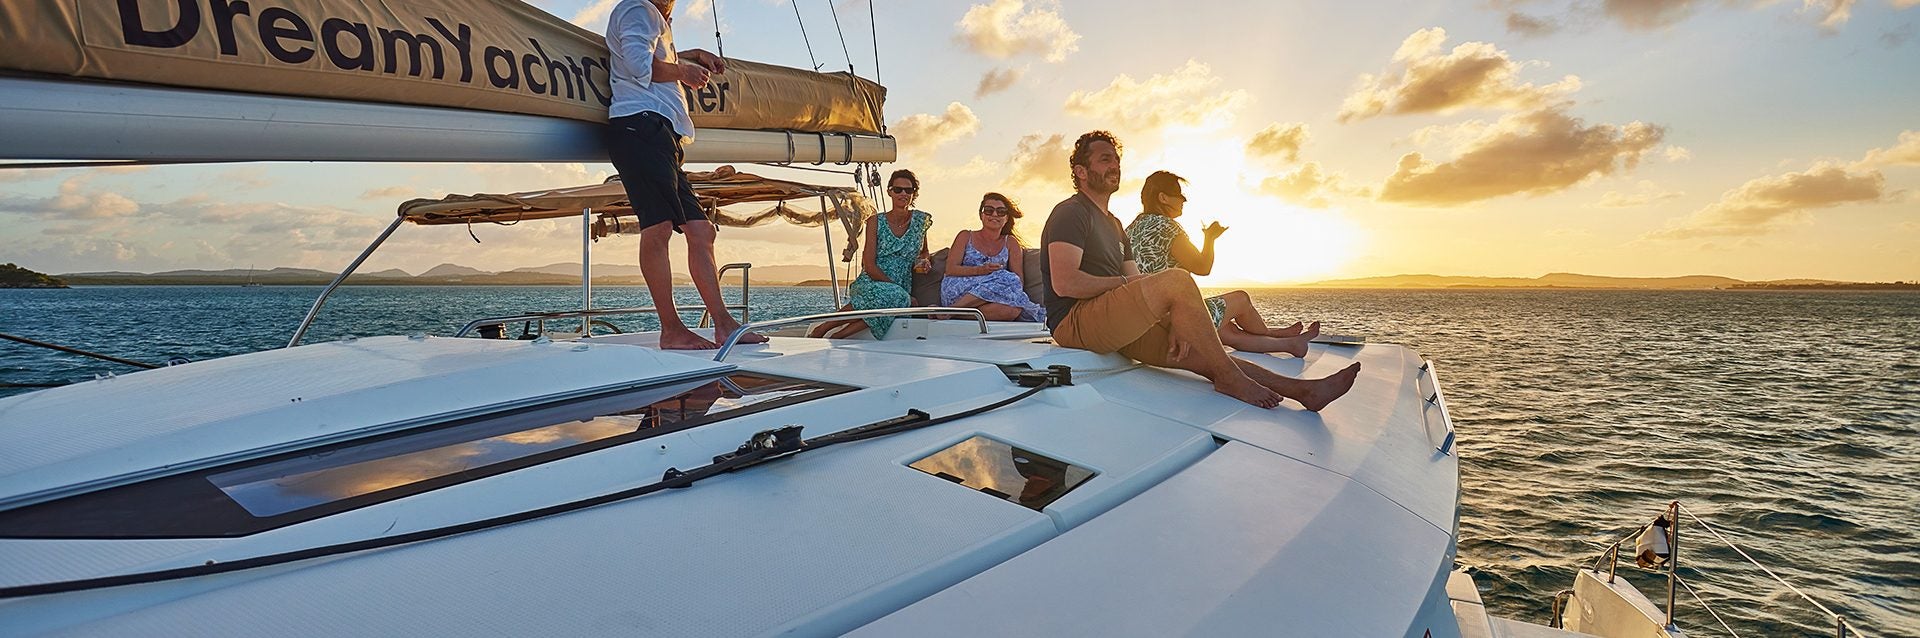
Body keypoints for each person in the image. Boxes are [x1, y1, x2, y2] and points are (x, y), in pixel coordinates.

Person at [1040, 131, 1360, 411]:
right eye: (1105, 159)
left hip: (1112, 321)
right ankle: (1231, 381)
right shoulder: (1071, 213)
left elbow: (1140, 282)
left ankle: (1304, 391)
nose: (1115, 166)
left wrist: (1176, 318)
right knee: (1179, 280)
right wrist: (1137, 286)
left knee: (1206, 354)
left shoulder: (1116, 225)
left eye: (1117, 160)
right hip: (1075, 322)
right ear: (1081, 172)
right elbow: (1067, 283)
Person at [604, 0, 765, 350]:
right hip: (640, 125)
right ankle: (671, 329)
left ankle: (723, 324)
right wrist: (683, 73)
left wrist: (690, 56)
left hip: (660, 133)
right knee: (659, 227)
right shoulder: (639, 8)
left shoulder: (653, 18)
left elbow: (644, 52)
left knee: (701, 230)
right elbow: (636, 64)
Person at [1127, 170, 1320, 356]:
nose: (1184, 199)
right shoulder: (1166, 227)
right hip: (1175, 321)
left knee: (1228, 331)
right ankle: (1269, 333)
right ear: (1163, 198)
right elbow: (1202, 267)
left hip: (1148, 321)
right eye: (1179, 194)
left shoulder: (1131, 228)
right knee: (1241, 299)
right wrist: (1210, 238)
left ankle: (1290, 344)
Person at [807, 169, 933, 339]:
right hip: (873, 280)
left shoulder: (920, 221)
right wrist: (897, 290)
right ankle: (824, 328)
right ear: (889, 191)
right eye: (898, 190)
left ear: (914, 194)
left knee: (895, 298)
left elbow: (924, 251)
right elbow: (869, 265)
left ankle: (836, 335)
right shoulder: (875, 221)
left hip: (902, 283)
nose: (903, 194)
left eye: (908, 190)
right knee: (894, 297)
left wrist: (924, 261)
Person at [938, 193, 1046, 322]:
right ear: (981, 215)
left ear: (1006, 218)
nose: (994, 215)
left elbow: (1019, 281)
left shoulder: (1010, 242)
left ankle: (951, 313)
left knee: (1013, 310)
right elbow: (951, 269)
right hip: (959, 289)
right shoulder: (965, 236)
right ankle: (955, 309)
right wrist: (981, 270)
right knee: (1006, 277)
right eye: (989, 210)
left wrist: (996, 288)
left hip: (993, 295)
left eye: (1001, 212)